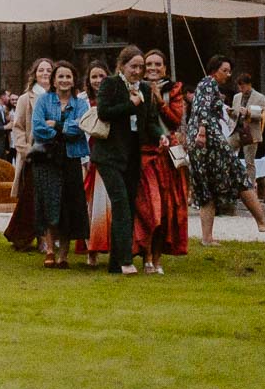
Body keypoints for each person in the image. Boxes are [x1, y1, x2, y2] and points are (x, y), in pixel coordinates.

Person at [185, 55, 265, 246]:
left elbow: (203, 107)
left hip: (200, 141)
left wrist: (222, 108)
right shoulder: (209, 83)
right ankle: (262, 222)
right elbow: (202, 109)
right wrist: (203, 131)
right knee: (238, 174)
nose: (228, 75)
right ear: (214, 70)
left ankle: (207, 238)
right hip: (209, 139)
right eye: (225, 71)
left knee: (206, 188)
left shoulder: (206, 85)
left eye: (229, 71)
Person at [91, 46, 147, 274]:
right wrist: (130, 105)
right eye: (133, 66)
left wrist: (162, 135)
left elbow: (147, 120)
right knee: (121, 204)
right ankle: (125, 260)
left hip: (132, 156)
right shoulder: (110, 84)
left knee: (128, 206)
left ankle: (115, 262)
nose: (138, 71)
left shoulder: (144, 88)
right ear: (122, 66)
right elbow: (104, 112)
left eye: (140, 67)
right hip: (109, 155)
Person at [134, 49, 188, 273]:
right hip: (143, 155)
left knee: (165, 209)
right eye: (149, 64)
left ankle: (156, 258)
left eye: (158, 64)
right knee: (149, 208)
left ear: (165, 68)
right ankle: (145, 255)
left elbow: (175, 120)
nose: (153, 68)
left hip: (167, 157)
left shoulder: (173, 90)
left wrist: (160, 102)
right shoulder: (135, 88)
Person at [31, 62, 90, 268]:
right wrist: (63, 133)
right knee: (49, 202)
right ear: (54, 80)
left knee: (68, 204)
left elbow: (82, 126)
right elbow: (38, 128)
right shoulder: (43, 101)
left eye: (68, 76)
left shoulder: (81, 103)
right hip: (47, 159)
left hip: (71, 158)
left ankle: (63, 254)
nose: (64, 80)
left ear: (74, 80)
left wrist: (55, 125)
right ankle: (49, 249)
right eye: (61, 76)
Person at [4, 58, 54, 251]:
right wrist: (26, 151)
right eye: (41, 70)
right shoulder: (26, 98)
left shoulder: (56, 97)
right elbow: (18, 128)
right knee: (32, 198)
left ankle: (46, 236)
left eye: (49, 70)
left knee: (49, 199)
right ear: (35, 73)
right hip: (33, 155)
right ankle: (28, 236)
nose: (45, 73)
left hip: (53, 154)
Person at [76, 59, 112, 266]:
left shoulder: (114, 97)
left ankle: (110, 247)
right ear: (88, 80)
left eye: (102, 76)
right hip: (88, 158)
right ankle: (91, 251)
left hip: (109, 158)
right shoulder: (82, 101)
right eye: (94, 77)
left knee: (108, 207)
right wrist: (84, 159)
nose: (98, 80)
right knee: (89, 207)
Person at [230, 73, 265, 185]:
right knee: (226, 151)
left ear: (249, 85)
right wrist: (231, 113)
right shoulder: (236, 97)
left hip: (251, 133)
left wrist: (249, 113)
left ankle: (250, 185)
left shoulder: (259, 97)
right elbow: (235, 115)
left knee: (249, 162)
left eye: (243, 86)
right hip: (238, 131)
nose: (241, 89)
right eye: (239, 87)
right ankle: (232, 181)